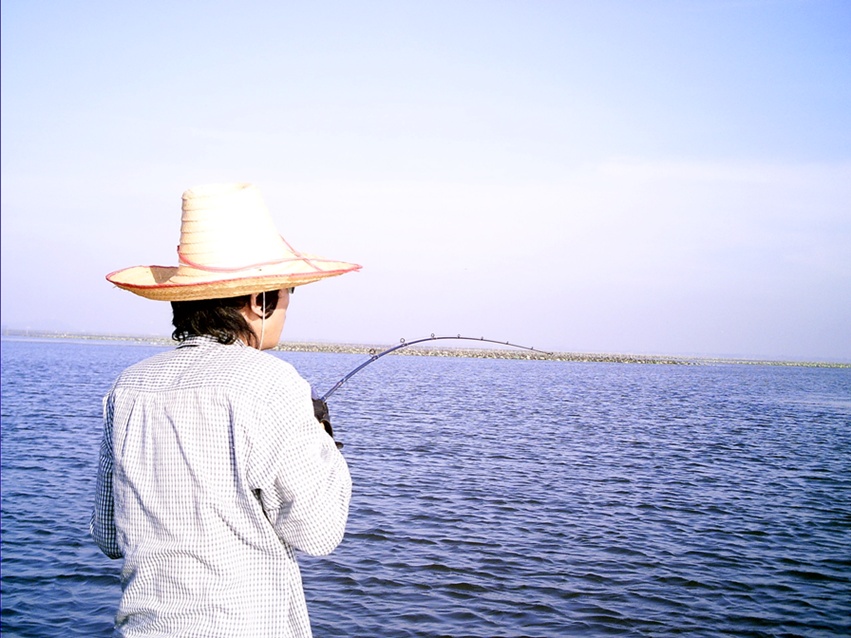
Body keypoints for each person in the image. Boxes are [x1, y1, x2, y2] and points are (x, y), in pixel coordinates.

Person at [91, 183, 360, 637]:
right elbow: (318, 532)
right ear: (261, 301)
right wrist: (322, 440)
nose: (290, 304)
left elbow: (108, 535)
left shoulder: (129, 387)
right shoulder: (273, 382)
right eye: (289, 290)